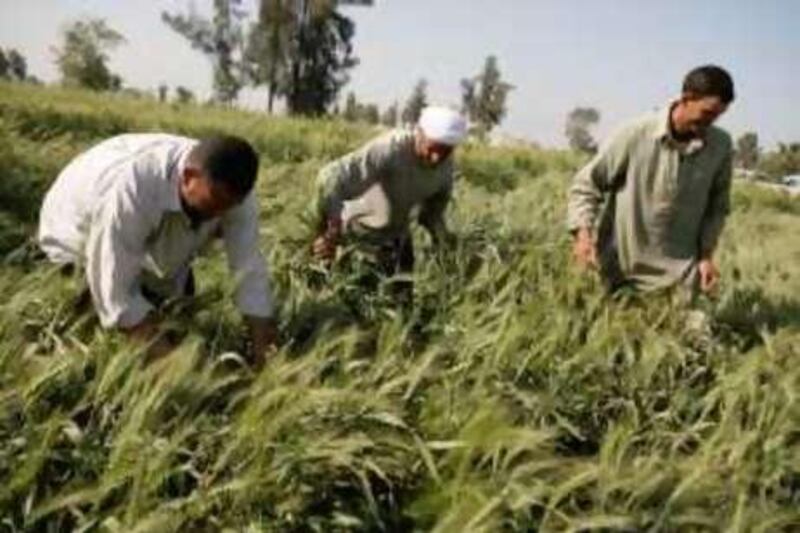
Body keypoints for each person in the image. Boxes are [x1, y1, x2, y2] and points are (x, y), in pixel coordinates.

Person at [37, 133, 277, 362]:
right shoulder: (136, 186)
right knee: (90, 316)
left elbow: (250, 272)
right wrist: (174, 368)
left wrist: (262, 350)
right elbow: (115, 291)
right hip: (76, 226)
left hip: (148, 225)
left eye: (229, 207)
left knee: (173, 321)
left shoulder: (233, 196)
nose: (221, 215)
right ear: (189, 176)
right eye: (215, 203)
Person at [567, 65, 735, 295]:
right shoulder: (635, 134)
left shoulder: (720, 146)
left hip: (679, 281)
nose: (710, 124)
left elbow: (717, 208)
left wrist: (706, 256)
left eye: (717, 117)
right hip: (619, 274)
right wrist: (583, 237)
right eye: (706, 114)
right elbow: (587, 185)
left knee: (695, 330)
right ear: (687, 98)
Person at [312, 106, 467, 300]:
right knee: (349, 304)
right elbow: (330, 177)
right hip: (356, 237)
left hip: (396, 240)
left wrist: (446, 244)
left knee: (402, 307)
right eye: (433, 148)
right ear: (419, 133)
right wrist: (330, 232)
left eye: (445, 151)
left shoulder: (445, 168)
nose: (437, 158)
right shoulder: (389, 151)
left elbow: (431, 215)